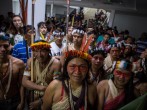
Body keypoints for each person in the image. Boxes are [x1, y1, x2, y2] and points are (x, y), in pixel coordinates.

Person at [22, 40, 61, 110]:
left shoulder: (56, 64)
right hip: (32, 98)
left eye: (43, 51)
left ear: (49, 51)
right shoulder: (30, 62)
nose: (39, 55)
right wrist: (42, 88)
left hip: (49, 100)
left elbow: (56, 88)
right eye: (36, 51)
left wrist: (40, 101)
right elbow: (24, 82)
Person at [0, 33, 25, 110]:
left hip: (13, 102)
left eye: (6, 46)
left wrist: (22, 103)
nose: (2, 49)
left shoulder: (19, 63)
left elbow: (22, 85)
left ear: (10, 46)